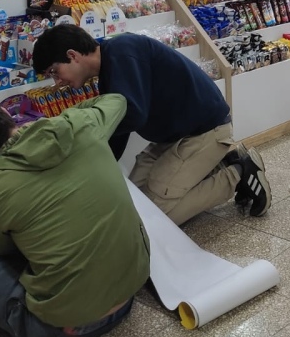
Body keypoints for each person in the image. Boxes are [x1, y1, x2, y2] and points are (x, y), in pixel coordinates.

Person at [0, 94, 149, 337]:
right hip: (130, 293)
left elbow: (9, 254)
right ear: (6, 115)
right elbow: (117, 100)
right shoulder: (79, 125)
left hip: (67, 327)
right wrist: (58, 121)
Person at [32, 26, 271, 225]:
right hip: (172, 137)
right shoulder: (109, 69)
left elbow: (133, 115)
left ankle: (238, 171)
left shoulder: (121, 52)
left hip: (205, 131)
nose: (57, 82)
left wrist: (83, 136)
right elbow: (118, 131)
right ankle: (213, 166)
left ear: (73, 55)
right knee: (136, 201)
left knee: (157, 217)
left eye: (55, 71)